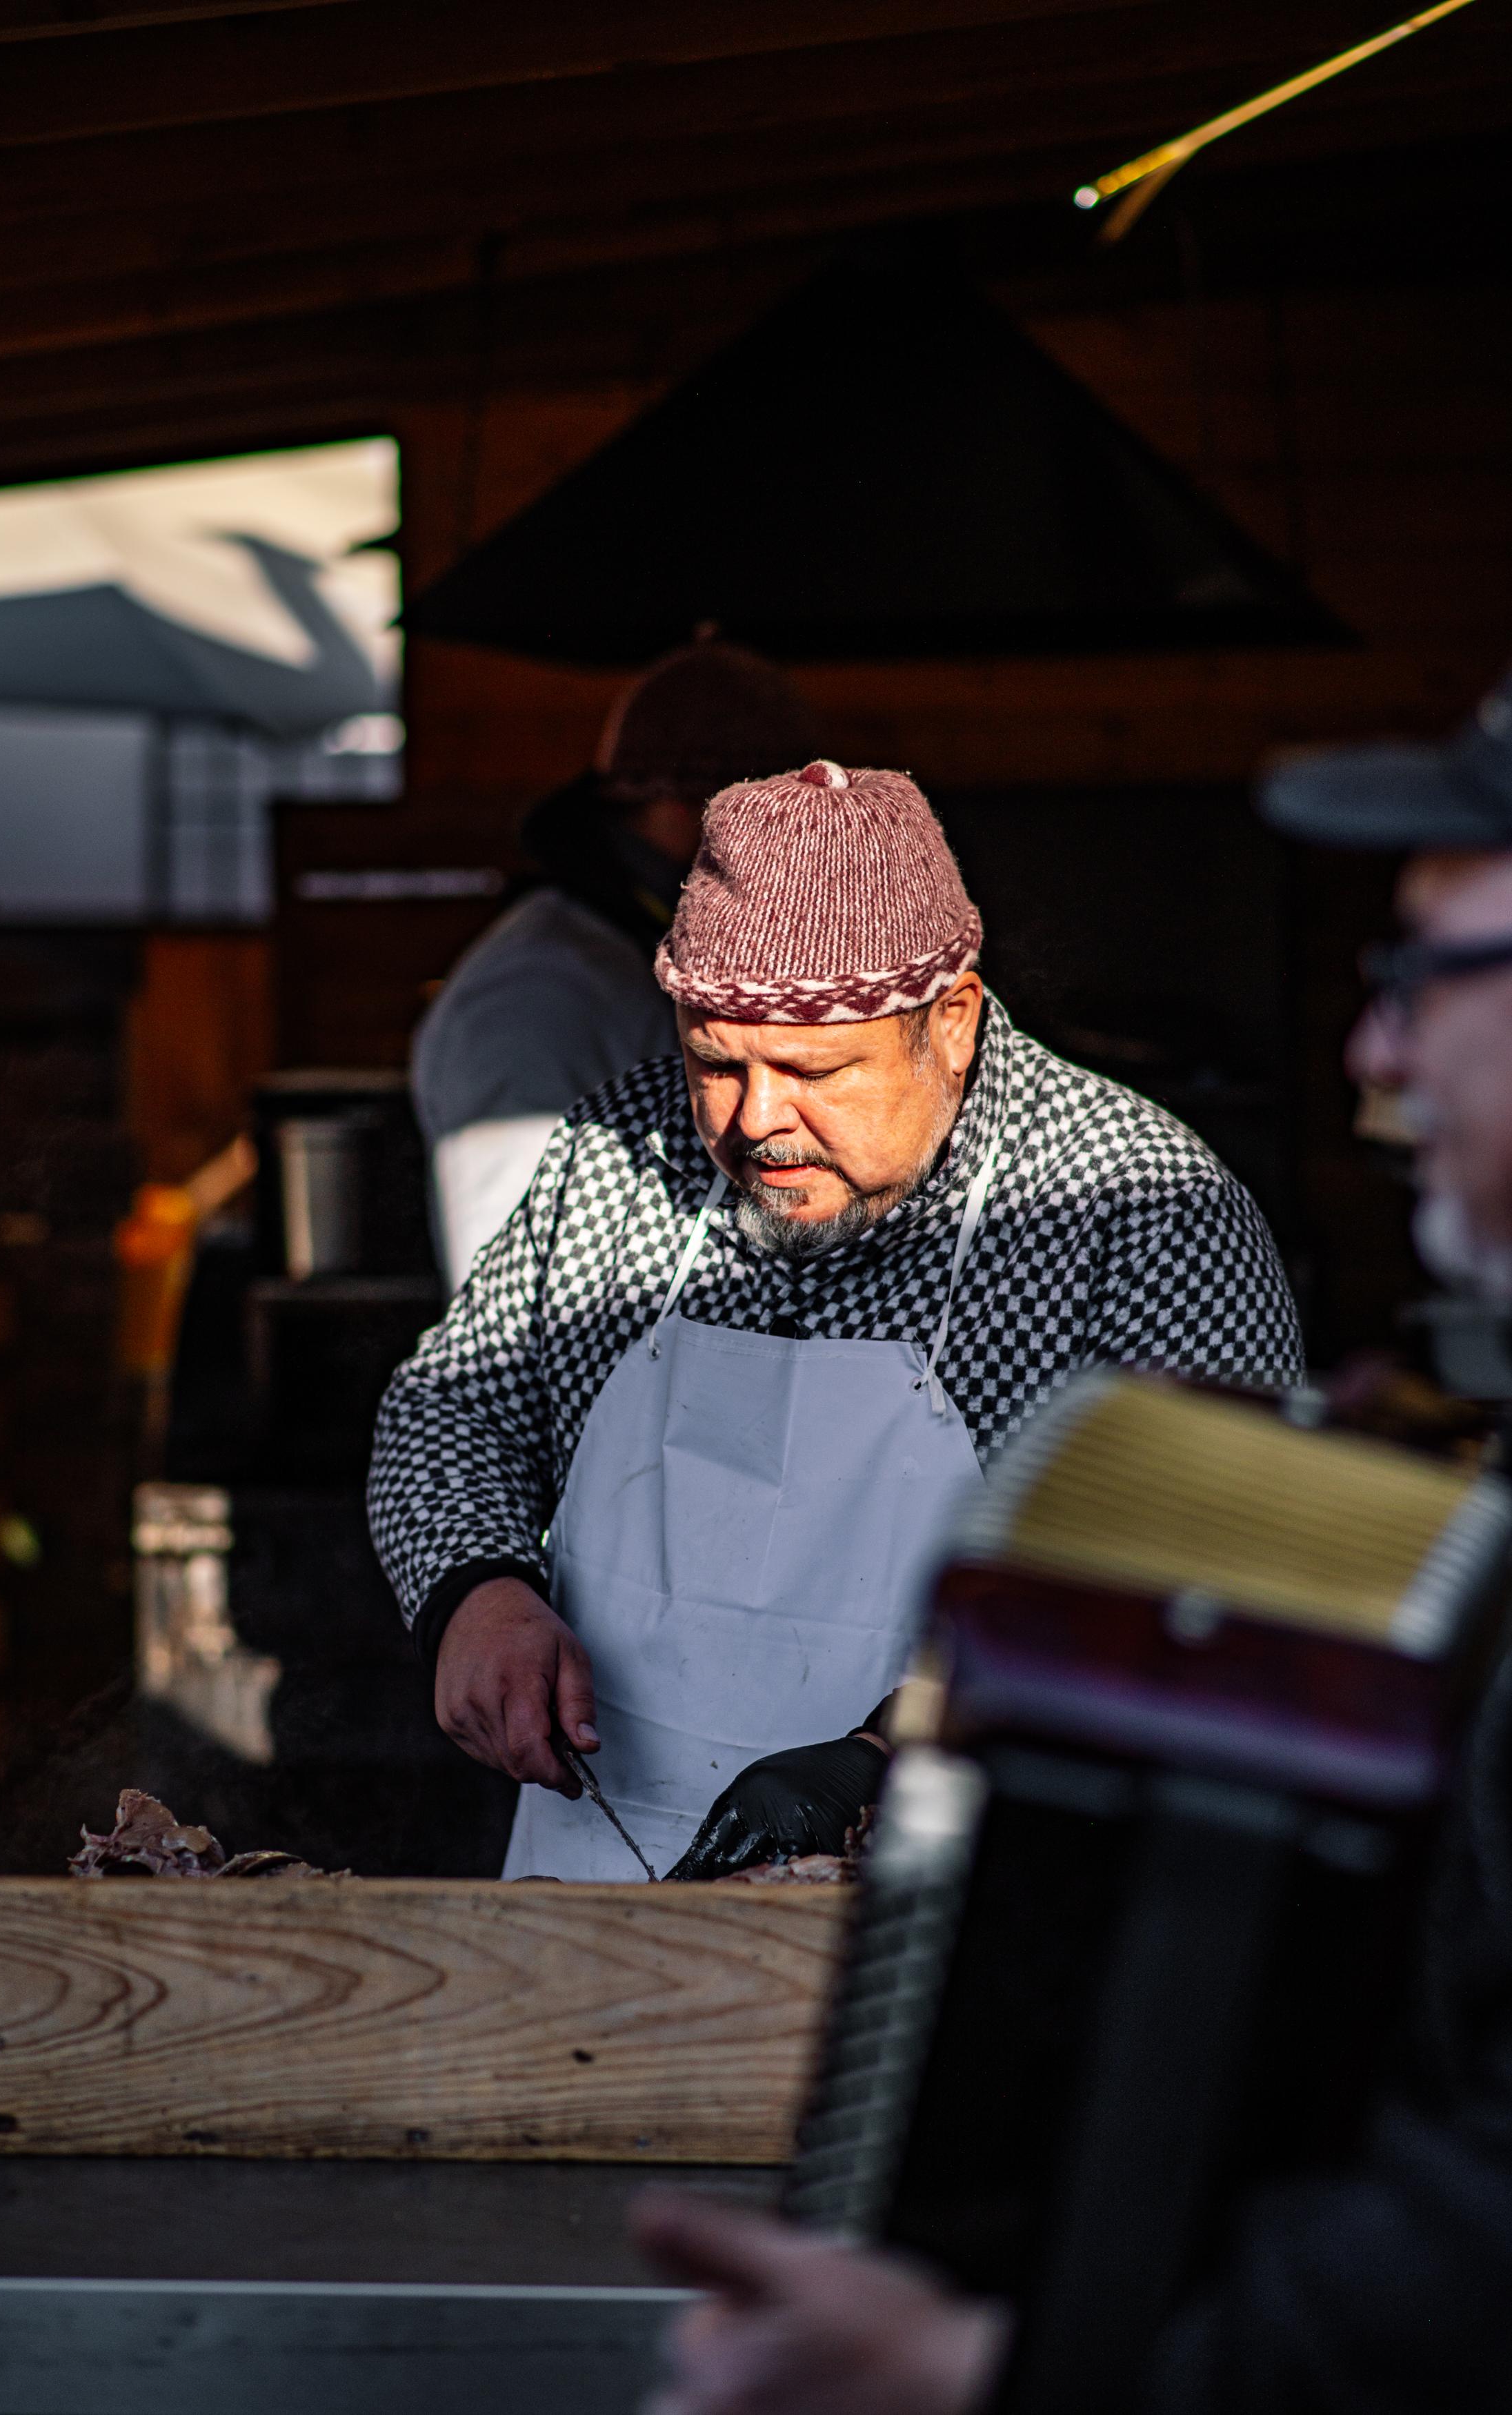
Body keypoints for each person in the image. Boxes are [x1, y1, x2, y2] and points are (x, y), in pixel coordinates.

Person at [630, 667, 1512, 2414]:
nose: (1370, 1053)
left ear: (944, 1025)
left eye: (1421, 978)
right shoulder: (634, 1178)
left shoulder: (1140, 1199)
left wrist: (995, 2377)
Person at [369, 756, 1299, 1885]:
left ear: (949, 1019)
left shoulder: (1137, 1206)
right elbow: (453, 1403)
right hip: (606, 1886)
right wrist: (478, 1593)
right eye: (714, 1062)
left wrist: (883, 1753)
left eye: (813, 1071)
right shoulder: (614, 1153)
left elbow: (1207, 1572)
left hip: (968, 1892)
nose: (757, 1122)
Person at [410, 638, 822, 1290]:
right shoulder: (540, 996)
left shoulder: (647, 961)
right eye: (785, 825)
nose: (802, 862)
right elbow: (527, 1298)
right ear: (698, 804)